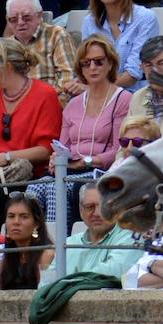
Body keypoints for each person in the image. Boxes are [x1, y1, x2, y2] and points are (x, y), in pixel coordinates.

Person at [32, 36, 131, 225]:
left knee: (57, 188)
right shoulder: (73, 105)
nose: (92, 67)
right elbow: (61, 146)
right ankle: (38, 243)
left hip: (102, 170)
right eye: (86, 63)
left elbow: (119, 150)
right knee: (33, 190)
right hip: (71, 169)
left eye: (98, 62)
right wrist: (56, 159)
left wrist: (84, 162)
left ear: (110, 64)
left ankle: (59, 244)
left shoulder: (123, 99)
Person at [0, 39, 62, 219]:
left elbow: (45, 149)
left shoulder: (45, 94)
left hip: (28, 173)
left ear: (7, 67)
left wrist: (3, 158)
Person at [81, 0, 160, 90]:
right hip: (99, 93)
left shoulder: (145, 18)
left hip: (135, 94)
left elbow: (133, 74)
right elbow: (87, 66)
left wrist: (95, 87)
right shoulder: (89, 21)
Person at [5, 0, 79, 107]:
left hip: (48, 108)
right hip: (13, 111)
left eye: (26, 17)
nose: (20, 23)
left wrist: (40, 108)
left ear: (39, 16)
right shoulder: (5, 45)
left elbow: (68, 83)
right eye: (13, 19)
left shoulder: (56, 35)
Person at [66, 181, 138, 279]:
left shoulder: (131, 237)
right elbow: (48, 280)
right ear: (80, 211)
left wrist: (65, 282)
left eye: (104, 206)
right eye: (90, 207)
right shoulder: (68, 243)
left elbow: (113, 273)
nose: (97, 213)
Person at [0, 191, 54, 289]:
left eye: (24, 217)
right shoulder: (5, 255)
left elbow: (44, 296)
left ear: (36, 224)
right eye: (11, 216)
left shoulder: (46, 254)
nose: (16, 222)